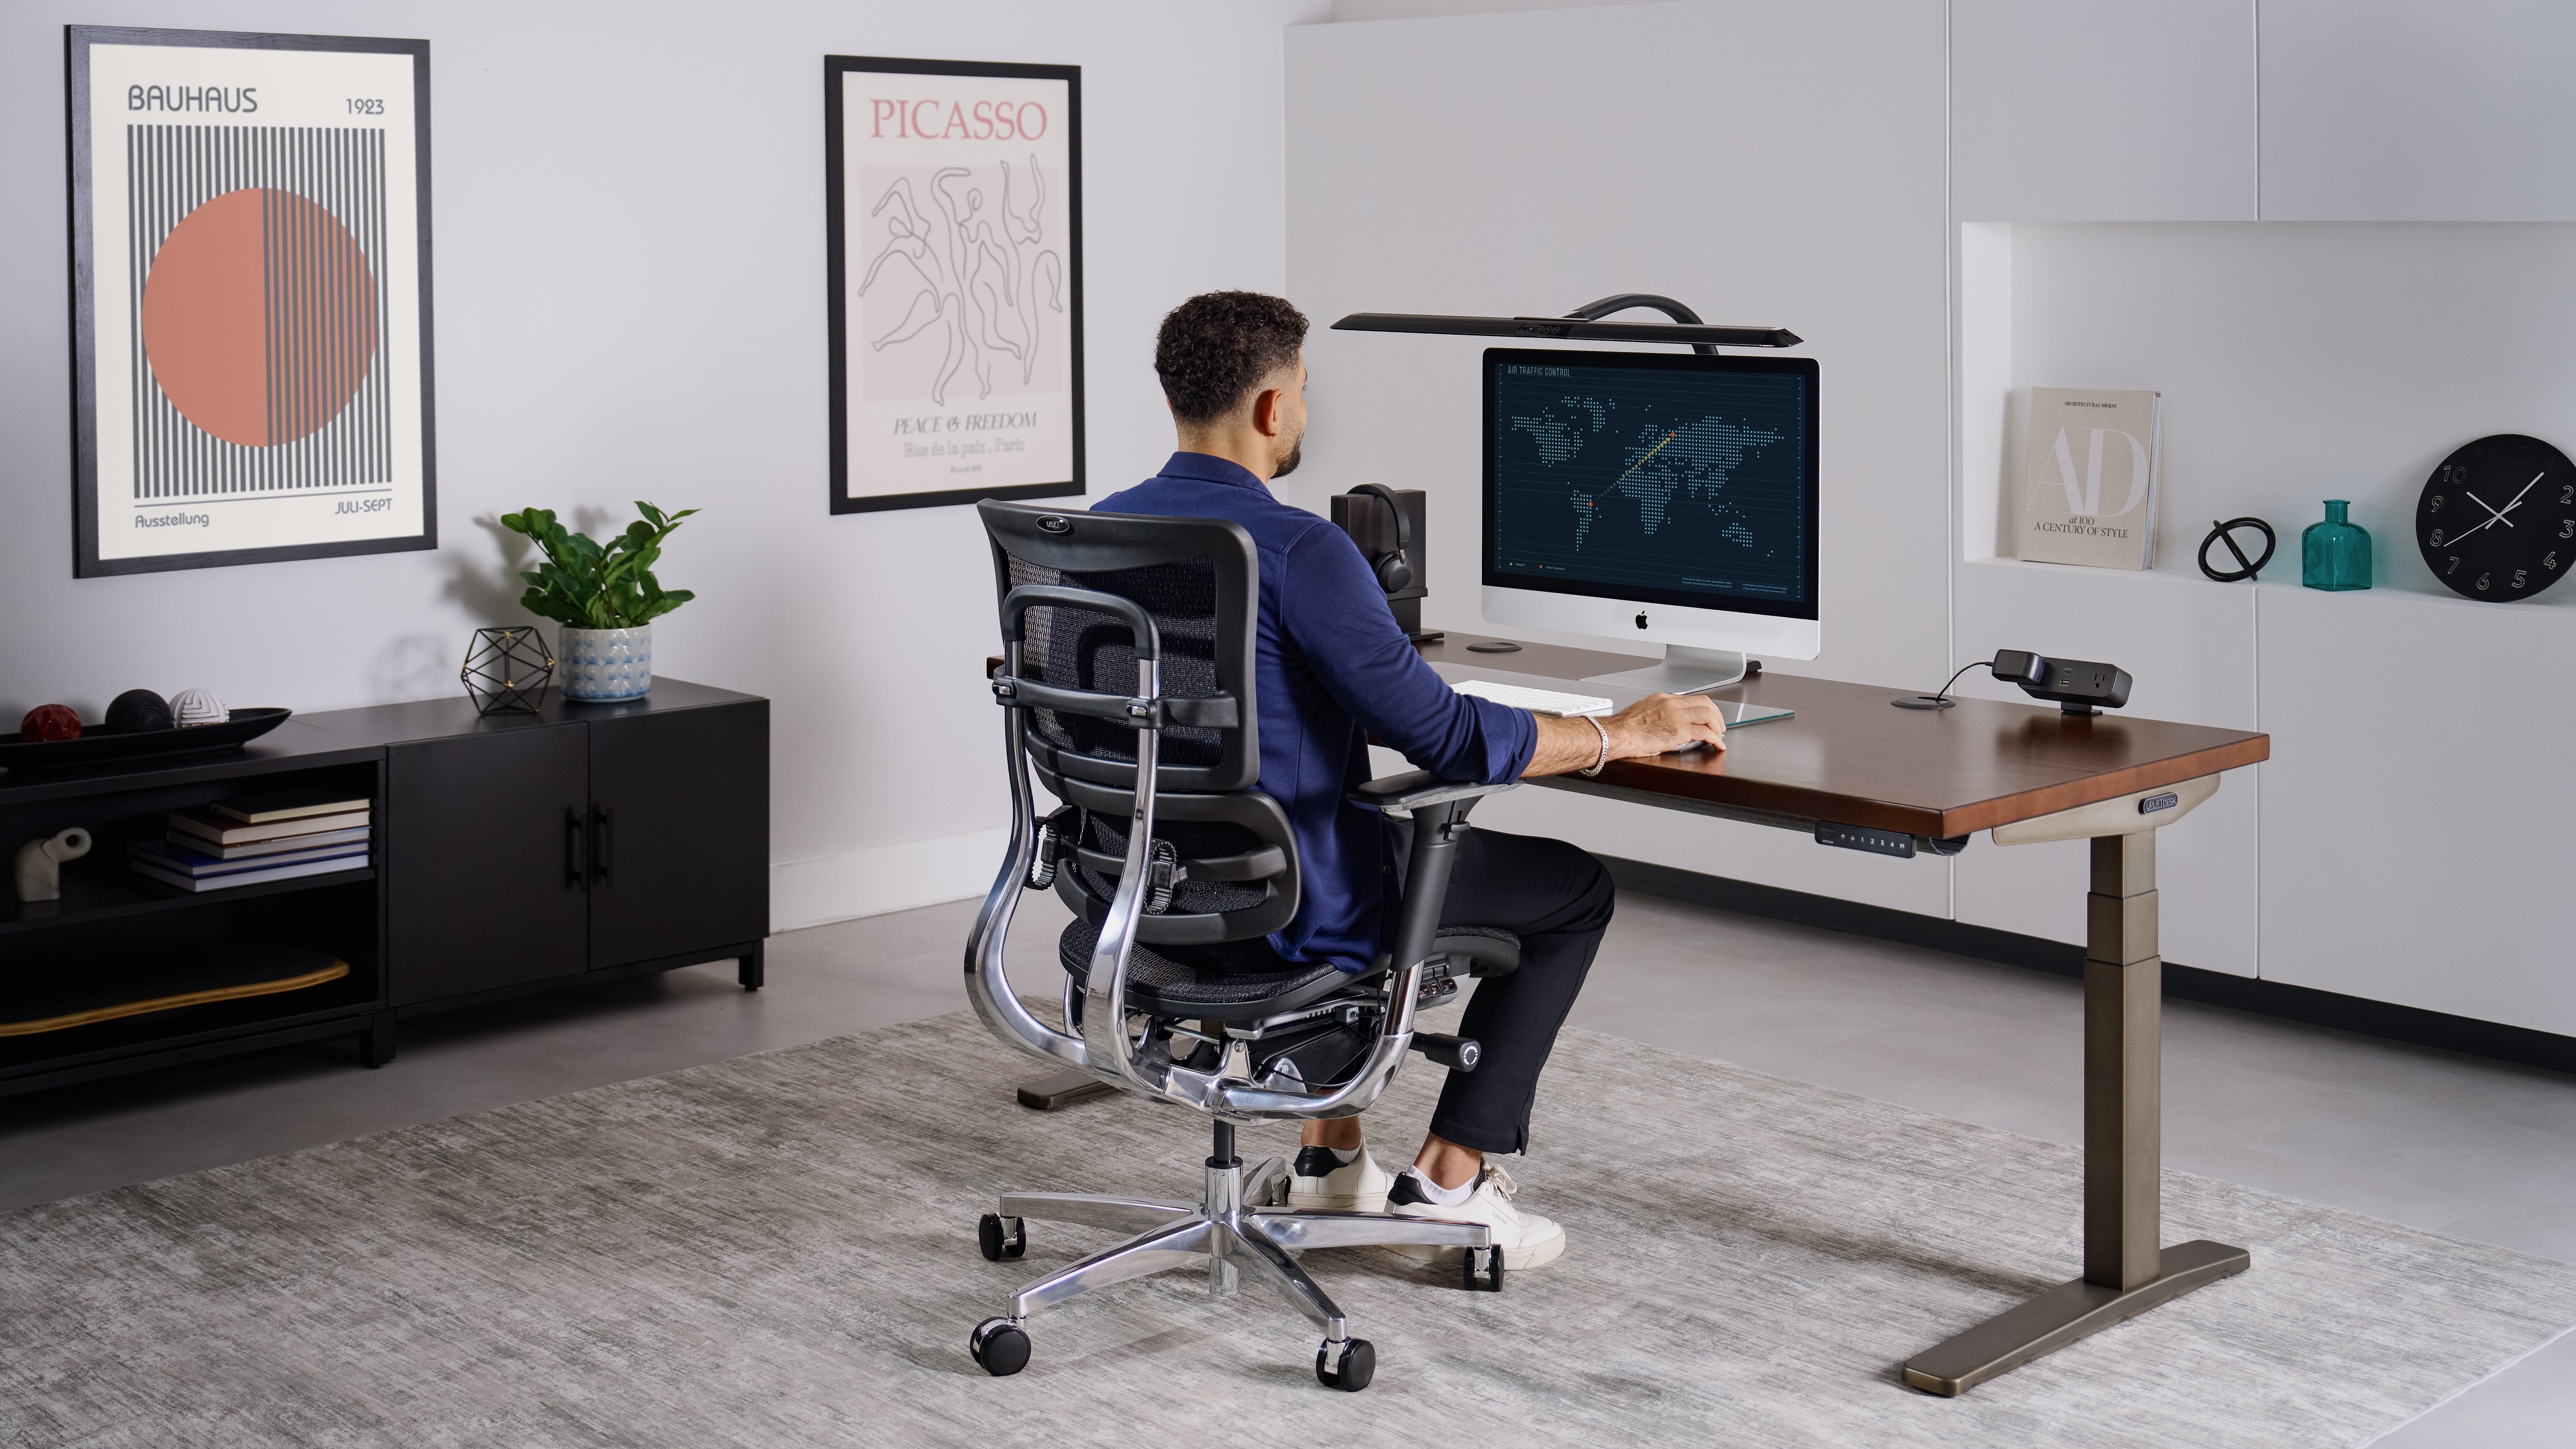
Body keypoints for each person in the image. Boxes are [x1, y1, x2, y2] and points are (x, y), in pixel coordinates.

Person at [1093, 292, 1727, 1271]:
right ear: (1272, 408)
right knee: (1573, 892)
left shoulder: (1097, 533)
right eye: (1304, 391)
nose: (1305, 412)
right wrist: (1617, 732)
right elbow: (1445, 737)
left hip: (1146, 892)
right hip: (1293, 908)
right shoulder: (1301, 548)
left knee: (1337, 828)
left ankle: (1329, 1160)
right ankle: (1449, 1181)